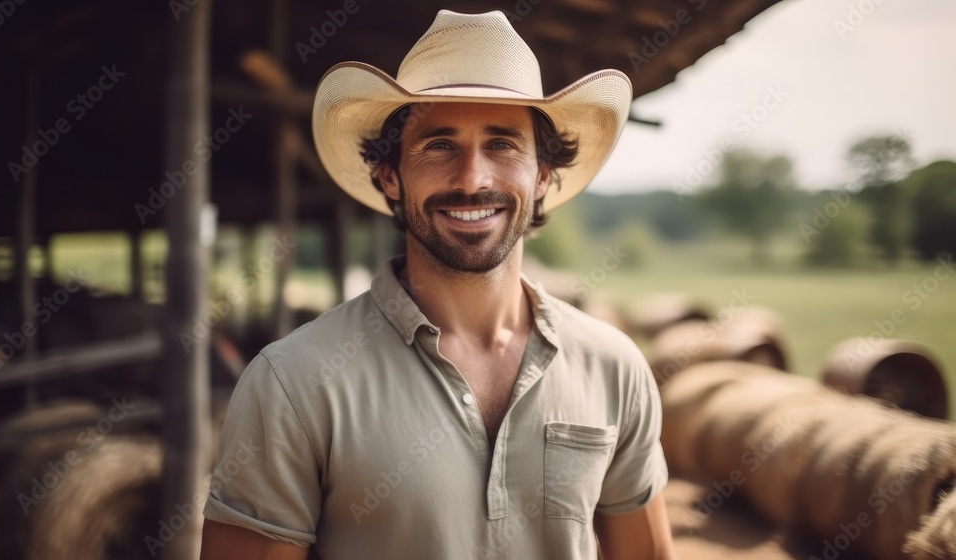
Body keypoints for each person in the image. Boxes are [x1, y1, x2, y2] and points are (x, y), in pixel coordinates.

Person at [200, 9, 674, 560]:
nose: (472, 179)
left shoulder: (614, 366)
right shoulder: (292, 383)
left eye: (502, 144)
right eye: (439, 145)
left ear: (542, 174)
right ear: (390, 176)